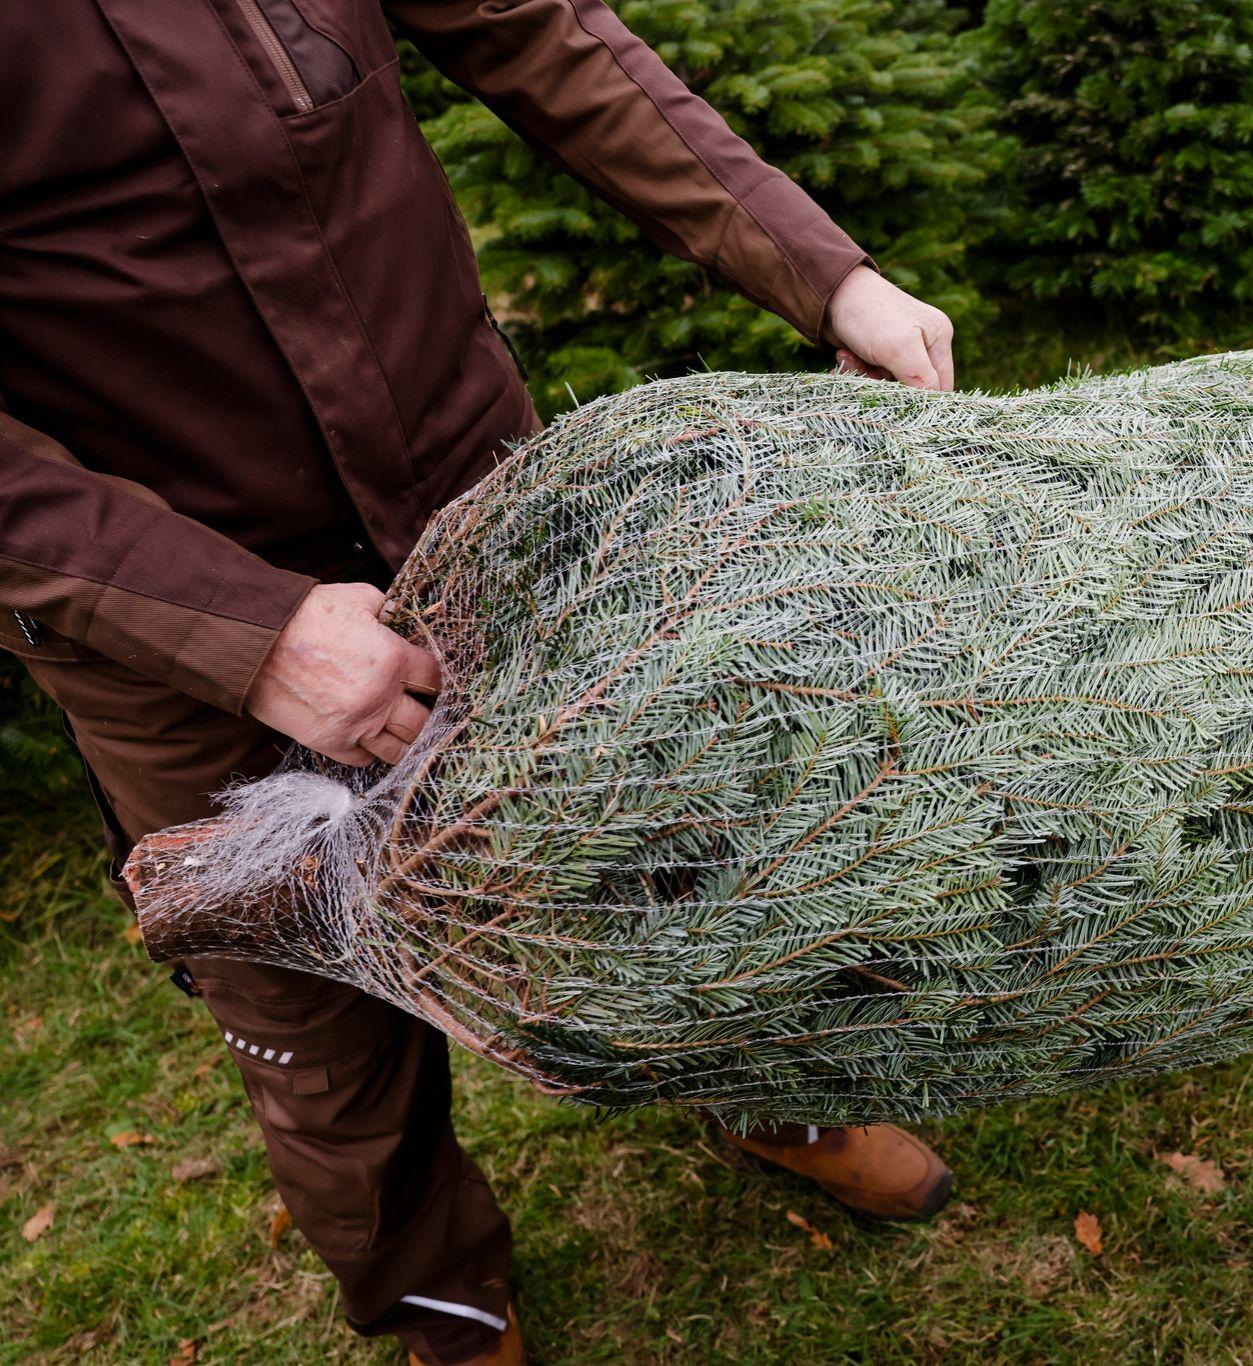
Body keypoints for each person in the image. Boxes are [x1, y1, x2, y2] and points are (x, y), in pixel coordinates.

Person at [0, 4, 956, 1363]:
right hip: (168, 629)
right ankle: (448, 1307)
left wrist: (826, 275)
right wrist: (245, 630)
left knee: (665, 836)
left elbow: (537, 27)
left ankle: (773, 1094)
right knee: (315, 1021)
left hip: (480, 497)